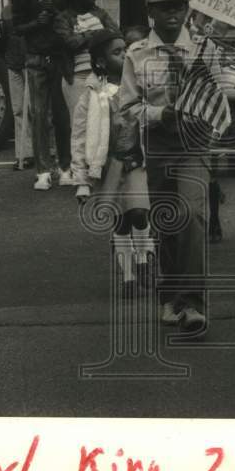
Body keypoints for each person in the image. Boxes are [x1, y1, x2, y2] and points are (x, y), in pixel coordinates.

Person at [120, 0, 213, 332]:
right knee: (167, 222)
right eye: (163, 8)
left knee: (192, 215)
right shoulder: (137, 55)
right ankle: (170, 297)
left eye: (178, 6)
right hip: (158, 143)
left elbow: (221, 95)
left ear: (188, 9)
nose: (172, 14)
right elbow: (127, 108)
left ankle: (192, 302)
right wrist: (161, 114)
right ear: (150, 13)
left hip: (195, 142)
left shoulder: (205, 49)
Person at [72, 30, 153, 296]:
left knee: (140, 212)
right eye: (118, 52)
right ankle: (128, 276)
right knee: (120, 221)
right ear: (101, 62)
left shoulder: (140, 86)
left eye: (126, 49)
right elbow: (81, 136)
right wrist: (82, 180)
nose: (126, 55)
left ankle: (144, 260)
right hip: (109, 165)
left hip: (136, 160)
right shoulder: (92, 94)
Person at [11, 0, 74, 190]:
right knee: (39, 116)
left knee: (62, 115)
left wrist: (56, 13)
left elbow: (76, 17)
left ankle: (65, 166)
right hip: (37, 58)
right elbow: (16, 27)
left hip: (62, 57)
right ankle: (42, 170)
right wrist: (38, 22)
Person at [54, 0, 117, 147]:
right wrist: (93, 34)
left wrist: (85, 36)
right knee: (79, 124)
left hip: (102, 76)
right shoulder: (63, 18)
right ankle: (79, 167)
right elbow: (70, 43)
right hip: (76, 77)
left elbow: (116, 35)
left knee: (104, 121)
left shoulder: (100, 14)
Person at [0, 0, 33, 169]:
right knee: (18, 109)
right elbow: (3, 40)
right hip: (13, 62)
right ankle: (23, 153)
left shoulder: (32, 9)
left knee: (35, 109)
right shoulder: (6, 10)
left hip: (30, 61)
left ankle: (42, 150)